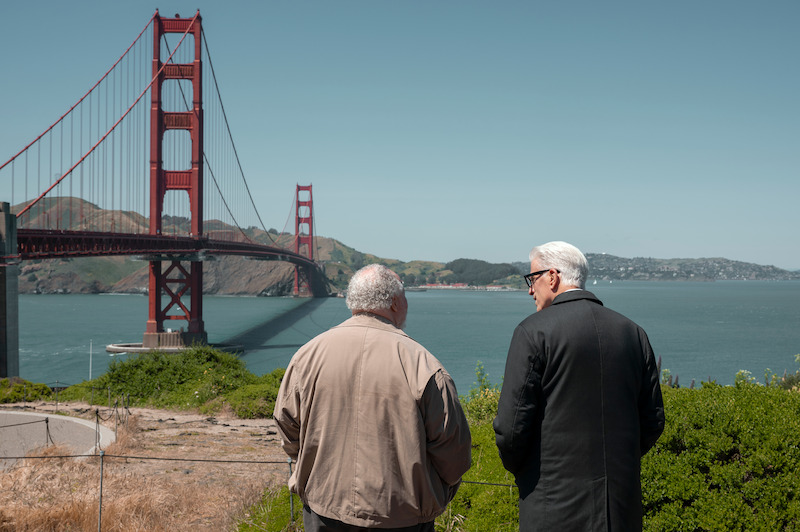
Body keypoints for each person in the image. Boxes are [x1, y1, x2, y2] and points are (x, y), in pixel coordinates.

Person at [274, 263, 472, 531]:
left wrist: (309, 468)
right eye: (405, 298)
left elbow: (286, 424)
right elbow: (454, 451)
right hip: (401, 516)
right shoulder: (423, 365)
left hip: (324, 509)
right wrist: (434, 493)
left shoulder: (307, 356)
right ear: (393, 303)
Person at [493, 241, 665, 532]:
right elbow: (653, 420)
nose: (530, 290)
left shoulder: (533, 332)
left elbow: (511, 429)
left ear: (552, 276)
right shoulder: (633, 333)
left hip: (551, 506)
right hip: (620, 508)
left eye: (532, 279)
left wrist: (528, 471)